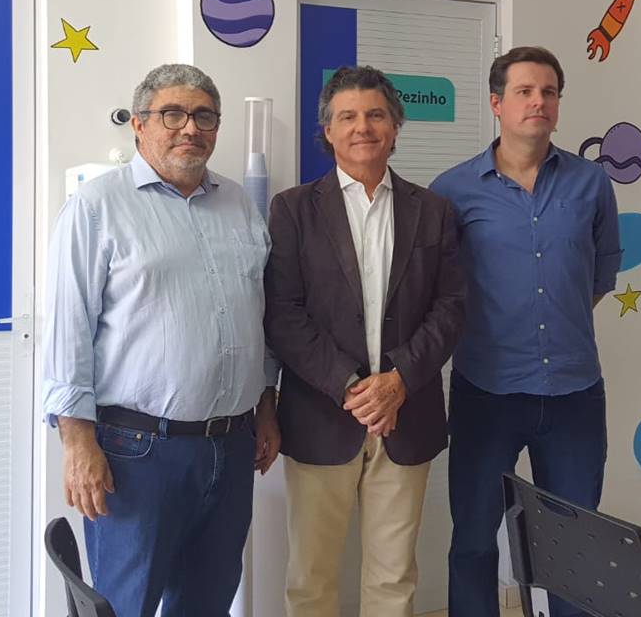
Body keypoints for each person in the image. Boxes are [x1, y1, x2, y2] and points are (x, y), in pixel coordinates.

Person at [42, 63, 281, 617]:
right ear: (140, 124)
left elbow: (259, 316)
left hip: (232, 445)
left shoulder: (239, 205)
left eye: (204, 116)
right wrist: (77, 444)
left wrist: (267, 406)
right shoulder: (96, 207)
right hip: (136, 452)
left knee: (207, 601)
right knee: (128, 605)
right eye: (172, 114)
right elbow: (68, 330)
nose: (190, 128)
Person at [264, 65, 465, 617]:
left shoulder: (433, 211)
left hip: (407, 416)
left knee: (394, 579)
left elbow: (451, 307)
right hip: (321, 418)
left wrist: (399, 381)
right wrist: (353, 388)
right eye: (347, 117)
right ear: (327, 130)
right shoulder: (293, 209)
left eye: (376, 115)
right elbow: (283, 314)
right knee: (311, 579)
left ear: (395, 126)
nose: (363, 127)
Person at [431, 46, 621, 617]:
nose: (539, 101)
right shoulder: (453, 190)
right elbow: (440, 289)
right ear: (497, 103)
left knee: (574, 546)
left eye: (549, 92)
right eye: (525, 91)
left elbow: (599, 276)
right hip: (486, 393)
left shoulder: (591, 183)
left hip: (574, 395)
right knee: (473, 539)